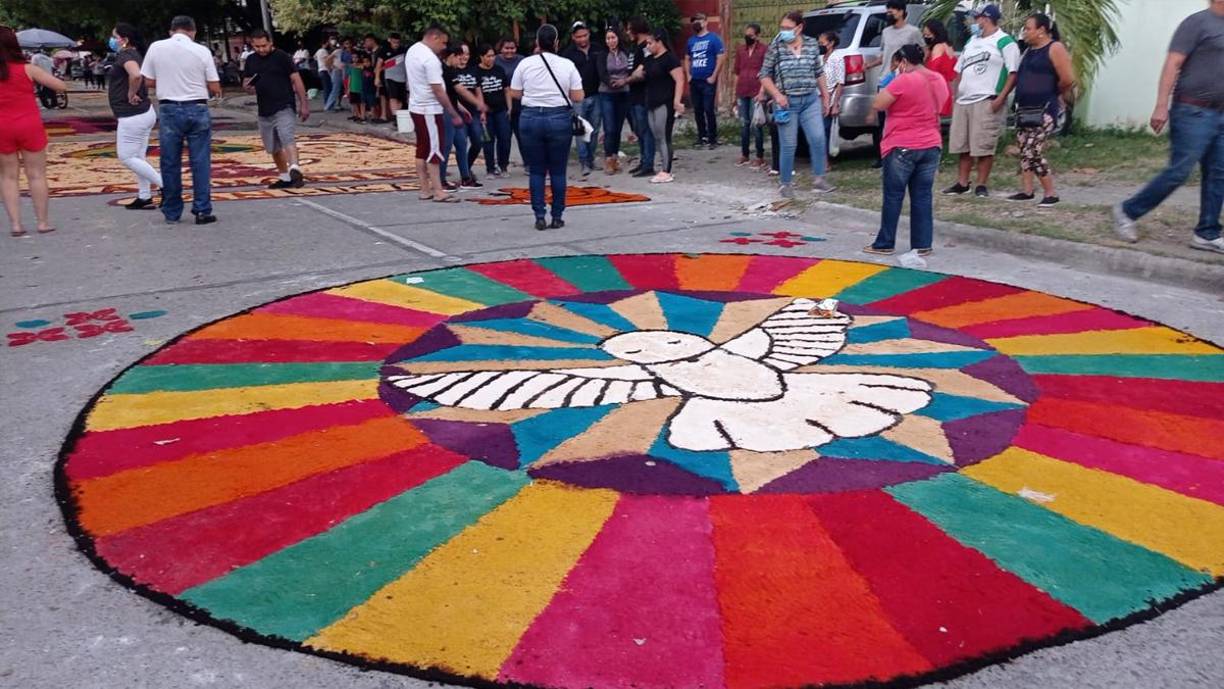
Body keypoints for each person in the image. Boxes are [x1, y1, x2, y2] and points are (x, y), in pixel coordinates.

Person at [1115, 0, 1224, 253]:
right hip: (1192, 110)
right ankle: (1127, 211)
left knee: (1219, 173)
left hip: (1221, 114)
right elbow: (1172, 64)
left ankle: (1206, 232)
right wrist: (1161, 105)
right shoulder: (1196, 23)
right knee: (1180, 171)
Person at [865, 44, 949, 257]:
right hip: (931, 143)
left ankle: (885, 243)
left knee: (893, 195)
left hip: (902, 143)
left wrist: (891, 82)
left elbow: (879, 103)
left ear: (903, 61)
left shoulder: (904, 79)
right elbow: (943, 105)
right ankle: (922, 244)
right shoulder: (937, 79)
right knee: (922, 196)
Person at [141, 15, 221, 225]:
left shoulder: (156, 47)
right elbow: (214, 87)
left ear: (172, 30)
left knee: (170, 161)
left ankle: (172, 211)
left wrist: (168, 79)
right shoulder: (202, 50)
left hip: (169, 108)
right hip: (197, 107)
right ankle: (202, 209)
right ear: (192, 31)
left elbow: (148, 80)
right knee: (200, 161)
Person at [508, 24, 584, 230]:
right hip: (559, 118)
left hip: (530, 117)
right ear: (557, 43)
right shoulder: (567, 64)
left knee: (537, 171)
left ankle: (539, 216)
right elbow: (578, 96)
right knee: (558, 171)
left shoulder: (525, 64)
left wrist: (534, 96)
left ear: (537, 43)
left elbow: (514, 93)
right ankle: (557, 215)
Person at [942, 4, 1020, 198]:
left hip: (986, 98)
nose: (975, 22)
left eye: (978, 18)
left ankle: (981, 184)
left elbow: (1013, 73)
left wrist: (1000, 98)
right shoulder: (972, 41)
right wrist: (955, 95)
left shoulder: (1004, 41)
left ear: (986, 19)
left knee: (983, 145)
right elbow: (959, 70)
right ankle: (962, 182)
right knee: (963, 144)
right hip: (964, 99)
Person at [759, 10, 835, 198]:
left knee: (818, 138)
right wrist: (776, 95)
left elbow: (819, 72)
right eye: (782, 28)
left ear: (799, 28)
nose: (783, 31)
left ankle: (819, 179)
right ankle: (785, 183)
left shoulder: (811, 44)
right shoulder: (776, 47)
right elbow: (764, 75)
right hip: (786, 102)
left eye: (788, 28)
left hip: (810, 99)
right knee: (789, 144)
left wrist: (825, 97)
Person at [0, 26, 66, 237]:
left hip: (2, 126)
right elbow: (60, 86)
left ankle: (16, 224)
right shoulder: (28, 68)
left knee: (8, 177)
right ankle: (42, 222)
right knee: (36, 175)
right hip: (29, 124)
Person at [1008, 13, 1074, 207]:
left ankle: (1050, 192)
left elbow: (1068, 79)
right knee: (1024, 149)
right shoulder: (1029, 51)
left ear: (1041, 30)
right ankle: (1027, 190)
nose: (1025, 32)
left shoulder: (1055, 48)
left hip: (1044, 109)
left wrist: (1055, 93)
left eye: (1028, 28)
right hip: (1025, 109)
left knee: (1033, 150)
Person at [243, 29, 310, 189]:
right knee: (273, 146)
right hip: (264, 108)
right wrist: (248, 87)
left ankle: (295, 168)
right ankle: (285, 177)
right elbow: (246, 81)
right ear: (252, 45)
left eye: (264, 45)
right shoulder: (251, 60)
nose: (261, 49)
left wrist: (304, 104)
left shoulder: (282, 57)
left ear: (271, 42)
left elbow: (297, 80)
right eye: (257, 46)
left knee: (286, 136)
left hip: (284, 104)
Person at [405, 25, 464, 203]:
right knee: (433, 151)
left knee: (422, 149)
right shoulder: (430, 59)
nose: (445, 47)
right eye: (443, 43)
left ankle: (425, 189)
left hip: (416, 106)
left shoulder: (413, 50)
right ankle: (438, 190)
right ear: (434, 37)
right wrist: (453, 112)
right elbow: (438, 90)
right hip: (429, 108)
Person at [107, 23, 162, 210]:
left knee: (126, 157)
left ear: (124, 39)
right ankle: (144, 196)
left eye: (115, 37)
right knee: (138, 157)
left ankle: (167, 187)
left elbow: (136, 75)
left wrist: (131, 93)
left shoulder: (126, 55)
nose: (112, 40)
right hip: (142, 113)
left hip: (132, 115)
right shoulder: (135, 54)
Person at [630, 29, 685, 184]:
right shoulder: (650, 59)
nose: (647, 46)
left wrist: (677, 101)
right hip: (651, 101)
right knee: (656, 136)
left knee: (664, 136)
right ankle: (662, 167)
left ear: (659, 42)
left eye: (650, 43)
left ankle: (666, 170)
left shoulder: (670, 59)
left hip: (665, 102)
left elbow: (680, 80)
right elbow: (637, 73)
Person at [560, 22, 603, 177]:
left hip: (597, 94)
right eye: (578, 37)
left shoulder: (598, 49)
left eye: (584, 35)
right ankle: (584, 161)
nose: (582, 39)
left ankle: (591, 158)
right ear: (573, 37)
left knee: (595, 129)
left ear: (589, 34)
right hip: (577, 98)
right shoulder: (567, 54)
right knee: (579, 130)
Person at [441, 43, 484, 190]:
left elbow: (453, 96)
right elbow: (459, 90)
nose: (461, 61)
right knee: (446, 146)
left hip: (454, 110)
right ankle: (441, 179)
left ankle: (466, 178)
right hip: (445, 112)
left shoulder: (451, 70)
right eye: (459, 57)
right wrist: (478, 103)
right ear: (452, 56)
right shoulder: (444, 71)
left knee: (461, 143)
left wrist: (462, 109)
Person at [685, 12, 725, 149]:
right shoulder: (691, 41)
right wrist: (688, 75)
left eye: (698, 20)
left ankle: (712, 138)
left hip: (708, 80)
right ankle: (702, 136)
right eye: (694, 21)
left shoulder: (714, 39)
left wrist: (714, 75)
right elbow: (687, 58)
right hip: (695, 80)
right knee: (698, 109)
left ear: (705, 22)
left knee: (708, 109)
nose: (696, 23)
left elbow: (721, 57)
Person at [596, 28, 632, 175]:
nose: (611, 41)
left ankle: (615, 157)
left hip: (624, 93)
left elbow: (631, 69)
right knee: (609, 128)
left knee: (617, 129)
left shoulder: (626, 53)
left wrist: (625, 81)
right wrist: (612, 82)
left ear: (618, 38)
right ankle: (608, 159)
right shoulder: (602, 55)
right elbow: (601, 73)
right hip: (607, 93)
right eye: (608, 38)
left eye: (613, 37)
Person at [473, 44, 511, 176]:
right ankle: (490, 168)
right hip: (487, 112)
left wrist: (509, 108)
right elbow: (478, 93)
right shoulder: (476, 71)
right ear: (481, 57)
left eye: (493, 56)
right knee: (488, 140)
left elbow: (506, 90)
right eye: (488, 56)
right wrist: (482, 110)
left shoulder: (499, 70)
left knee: (505, 138)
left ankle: (503, 165)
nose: (491, 59)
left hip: (501, 110)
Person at [626, 16, 656, 177]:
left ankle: (648, 163)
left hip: (643, 94)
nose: (627, 32)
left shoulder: (646, 46)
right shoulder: (634, 46)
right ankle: (643, 160)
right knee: (639, 130)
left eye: (629, 28)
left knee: (646, 130)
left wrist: (626, 80)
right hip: (634, 93)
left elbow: (643, 71)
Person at [734, 23, 767, 168]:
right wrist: (735, 93)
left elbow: (766, 73)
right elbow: (737, 72)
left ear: (757, 35)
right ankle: (745, 154)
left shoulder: (764, 50)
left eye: (751, 35)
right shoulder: (741, 50)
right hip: (742, 90)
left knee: (756, 125)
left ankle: (760, 155)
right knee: (743, 124)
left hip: (756, 91)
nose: (748, 37)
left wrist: (762, 92)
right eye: (746, 35)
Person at [867, 0, 923, 75]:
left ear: (901, 12)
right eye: (887, 12)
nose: (888, 15)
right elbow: (884, 56)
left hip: (903, 78)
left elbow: (924, 53)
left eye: (891, 12)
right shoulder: (885, 32)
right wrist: (869, 65)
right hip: (885, 78)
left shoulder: (913, 31)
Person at [496, 38, 526, 169]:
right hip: (502, 105)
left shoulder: (522, 61)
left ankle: (529, 164)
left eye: (512, 48)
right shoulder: (495, 60)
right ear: (501, 49)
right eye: (506, 48)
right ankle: (502, 165)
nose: (509, 51)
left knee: (523, 137)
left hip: (520, 104)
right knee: (504, 138)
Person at [819, 31, 845, 166]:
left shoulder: (837, 58)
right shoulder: (820, 58)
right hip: (818, 96)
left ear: (831, 43)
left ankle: (825, 160)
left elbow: (840, 82)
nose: (821, 45)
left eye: (822, 43)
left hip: (830, 96)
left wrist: (835, 104)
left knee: (825, 129)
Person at [922, 19, 956, 117]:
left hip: (935, 90)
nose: (926, 38)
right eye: (924, 35)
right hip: (945, 88)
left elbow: (932, 71)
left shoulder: (937, 47)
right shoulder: (949, 47)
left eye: (928, 35)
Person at [377, 33, 405, 118]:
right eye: (394, 42)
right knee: (393, 97)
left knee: (400, 99)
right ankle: (395, 116)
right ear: (390, 41)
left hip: (402, 77)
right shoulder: (384, 50)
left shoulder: (403, 50)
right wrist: (377, 78)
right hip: (390, 77)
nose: (396, 44)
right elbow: (379, 64)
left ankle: (399, 115)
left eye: (397, 42)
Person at [315, 39, 335, 109]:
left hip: (320, 70)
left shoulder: (318, 51)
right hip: (325, 70)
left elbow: (315, 57)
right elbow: (327, 61)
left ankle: (327, 104)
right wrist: (330, 69)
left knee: (326, 88)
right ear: (325, 44)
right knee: (328, 88)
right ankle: (328, 105)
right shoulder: (324, 51)